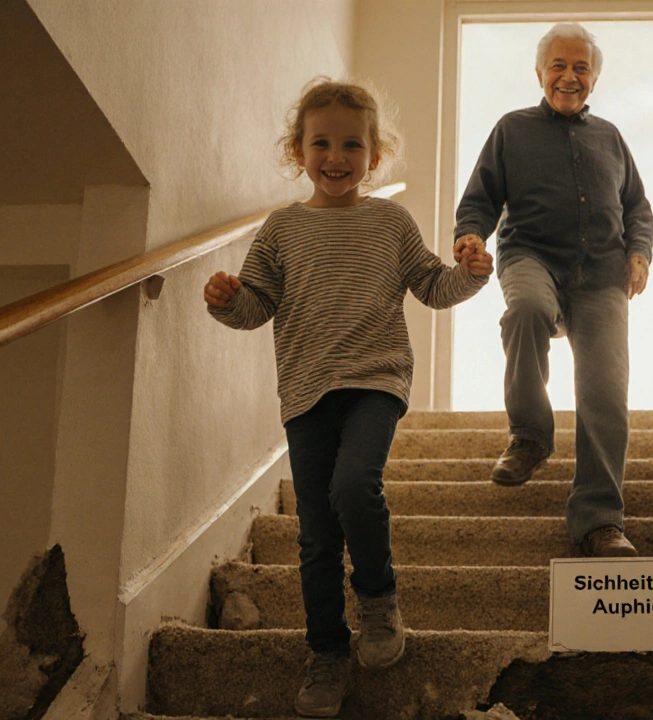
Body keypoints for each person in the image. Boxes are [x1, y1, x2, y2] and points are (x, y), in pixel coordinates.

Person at [205, 79, 491, 718]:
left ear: (374, 156)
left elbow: (432, 287)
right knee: (314, 534)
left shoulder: (390, 221)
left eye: (352, 145)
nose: (336, 156)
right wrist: (228, 301)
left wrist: (469, 274)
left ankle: (379, 599)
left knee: (354, 484)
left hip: (375, 380)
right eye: (321, 143)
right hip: (305, 390)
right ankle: (328, 652)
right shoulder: (282, 228)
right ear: (298, 150)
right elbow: (257, 305)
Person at [453, 23, 653, 558]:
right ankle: (531, 435)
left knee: (606, 392)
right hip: (530, 258)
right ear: (540, 74)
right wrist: (470, 233)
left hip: (602, 276)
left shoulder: (609, 137)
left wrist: (640, 251)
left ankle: (599, 522)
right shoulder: (511, 130)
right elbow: (479, 199)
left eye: (581, 68)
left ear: (595, 78)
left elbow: (636, 206)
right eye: (559, 67)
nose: (569, 77)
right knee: (526, 310)